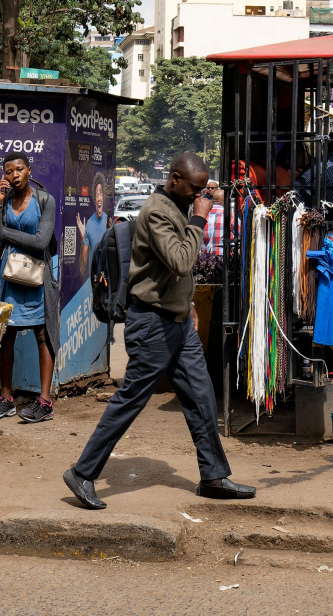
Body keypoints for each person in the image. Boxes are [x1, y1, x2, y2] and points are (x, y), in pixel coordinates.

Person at [62, 152, 253, 510]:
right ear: (176, 179)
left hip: (177, 322)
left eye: (204, 191)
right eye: (195, 189)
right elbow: (182, 260)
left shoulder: (178, 206)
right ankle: (83, 472)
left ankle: (213, 475)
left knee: (201, 397)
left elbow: (172, 274)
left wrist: (189, 303)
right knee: (131, 399)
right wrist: (200, 217)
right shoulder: (158, 211)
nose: (200, 196)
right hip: (151, 323)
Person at [0, 154, 59, 424]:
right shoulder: (3, 202)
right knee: (7, 337)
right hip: (8, 277)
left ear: (29, 170)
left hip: (36, 277)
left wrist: (6, 233)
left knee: (43, 335)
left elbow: (41, 242)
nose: (14, 175)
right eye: (9, 171)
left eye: (19, 170)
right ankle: (6, 399)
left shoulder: (45, 201)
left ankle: (45, 402)